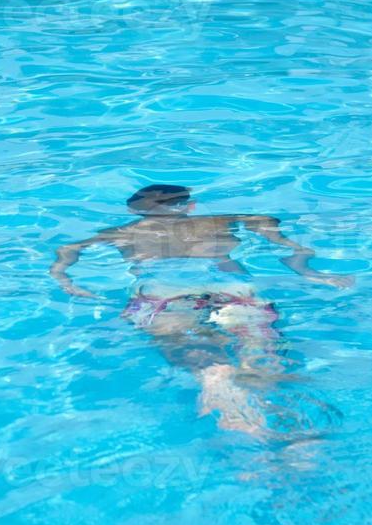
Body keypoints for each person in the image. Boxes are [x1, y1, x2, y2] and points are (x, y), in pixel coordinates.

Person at [49, 184, 351, 436]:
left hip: (163, 295)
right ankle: (297, 430)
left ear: (133, 210)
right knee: (263, 359)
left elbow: (67, 250)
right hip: (233, 291)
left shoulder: (118, 232)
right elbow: (288, 243)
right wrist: (310, 272)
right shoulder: (223, 220)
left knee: (195, 354)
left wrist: (65, 281)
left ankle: (222, 388)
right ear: (190, 207)